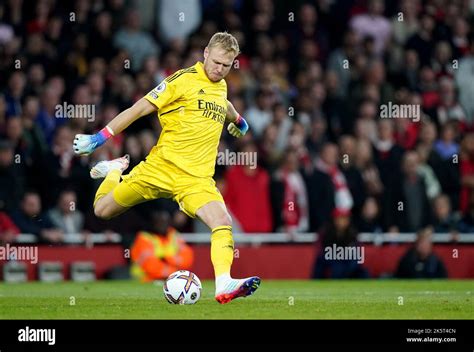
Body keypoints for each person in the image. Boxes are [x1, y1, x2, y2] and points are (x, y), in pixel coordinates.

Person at [73, 32, 260, 304]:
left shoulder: (221, 86)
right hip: (159, 170)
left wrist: (240, 123)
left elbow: (226, 107)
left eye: (227, 65)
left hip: (196, 181)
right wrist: (99, 138)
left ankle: (223, 284)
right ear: (205, 52)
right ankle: (114, 170)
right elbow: (138, 109)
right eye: (217, 62)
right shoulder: (181, 80)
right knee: (102, 210)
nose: (219, 70)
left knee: (222, 221)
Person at [130, 210, 193, 282]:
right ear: (153, 223)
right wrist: (173, 270)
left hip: (170, 280)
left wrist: (166, 258)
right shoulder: (144, 238)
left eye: (165, 222)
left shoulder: (174, 235)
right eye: (160, 222)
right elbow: (150, 265)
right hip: (144, 281)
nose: (163, 225)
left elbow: (187, 259)